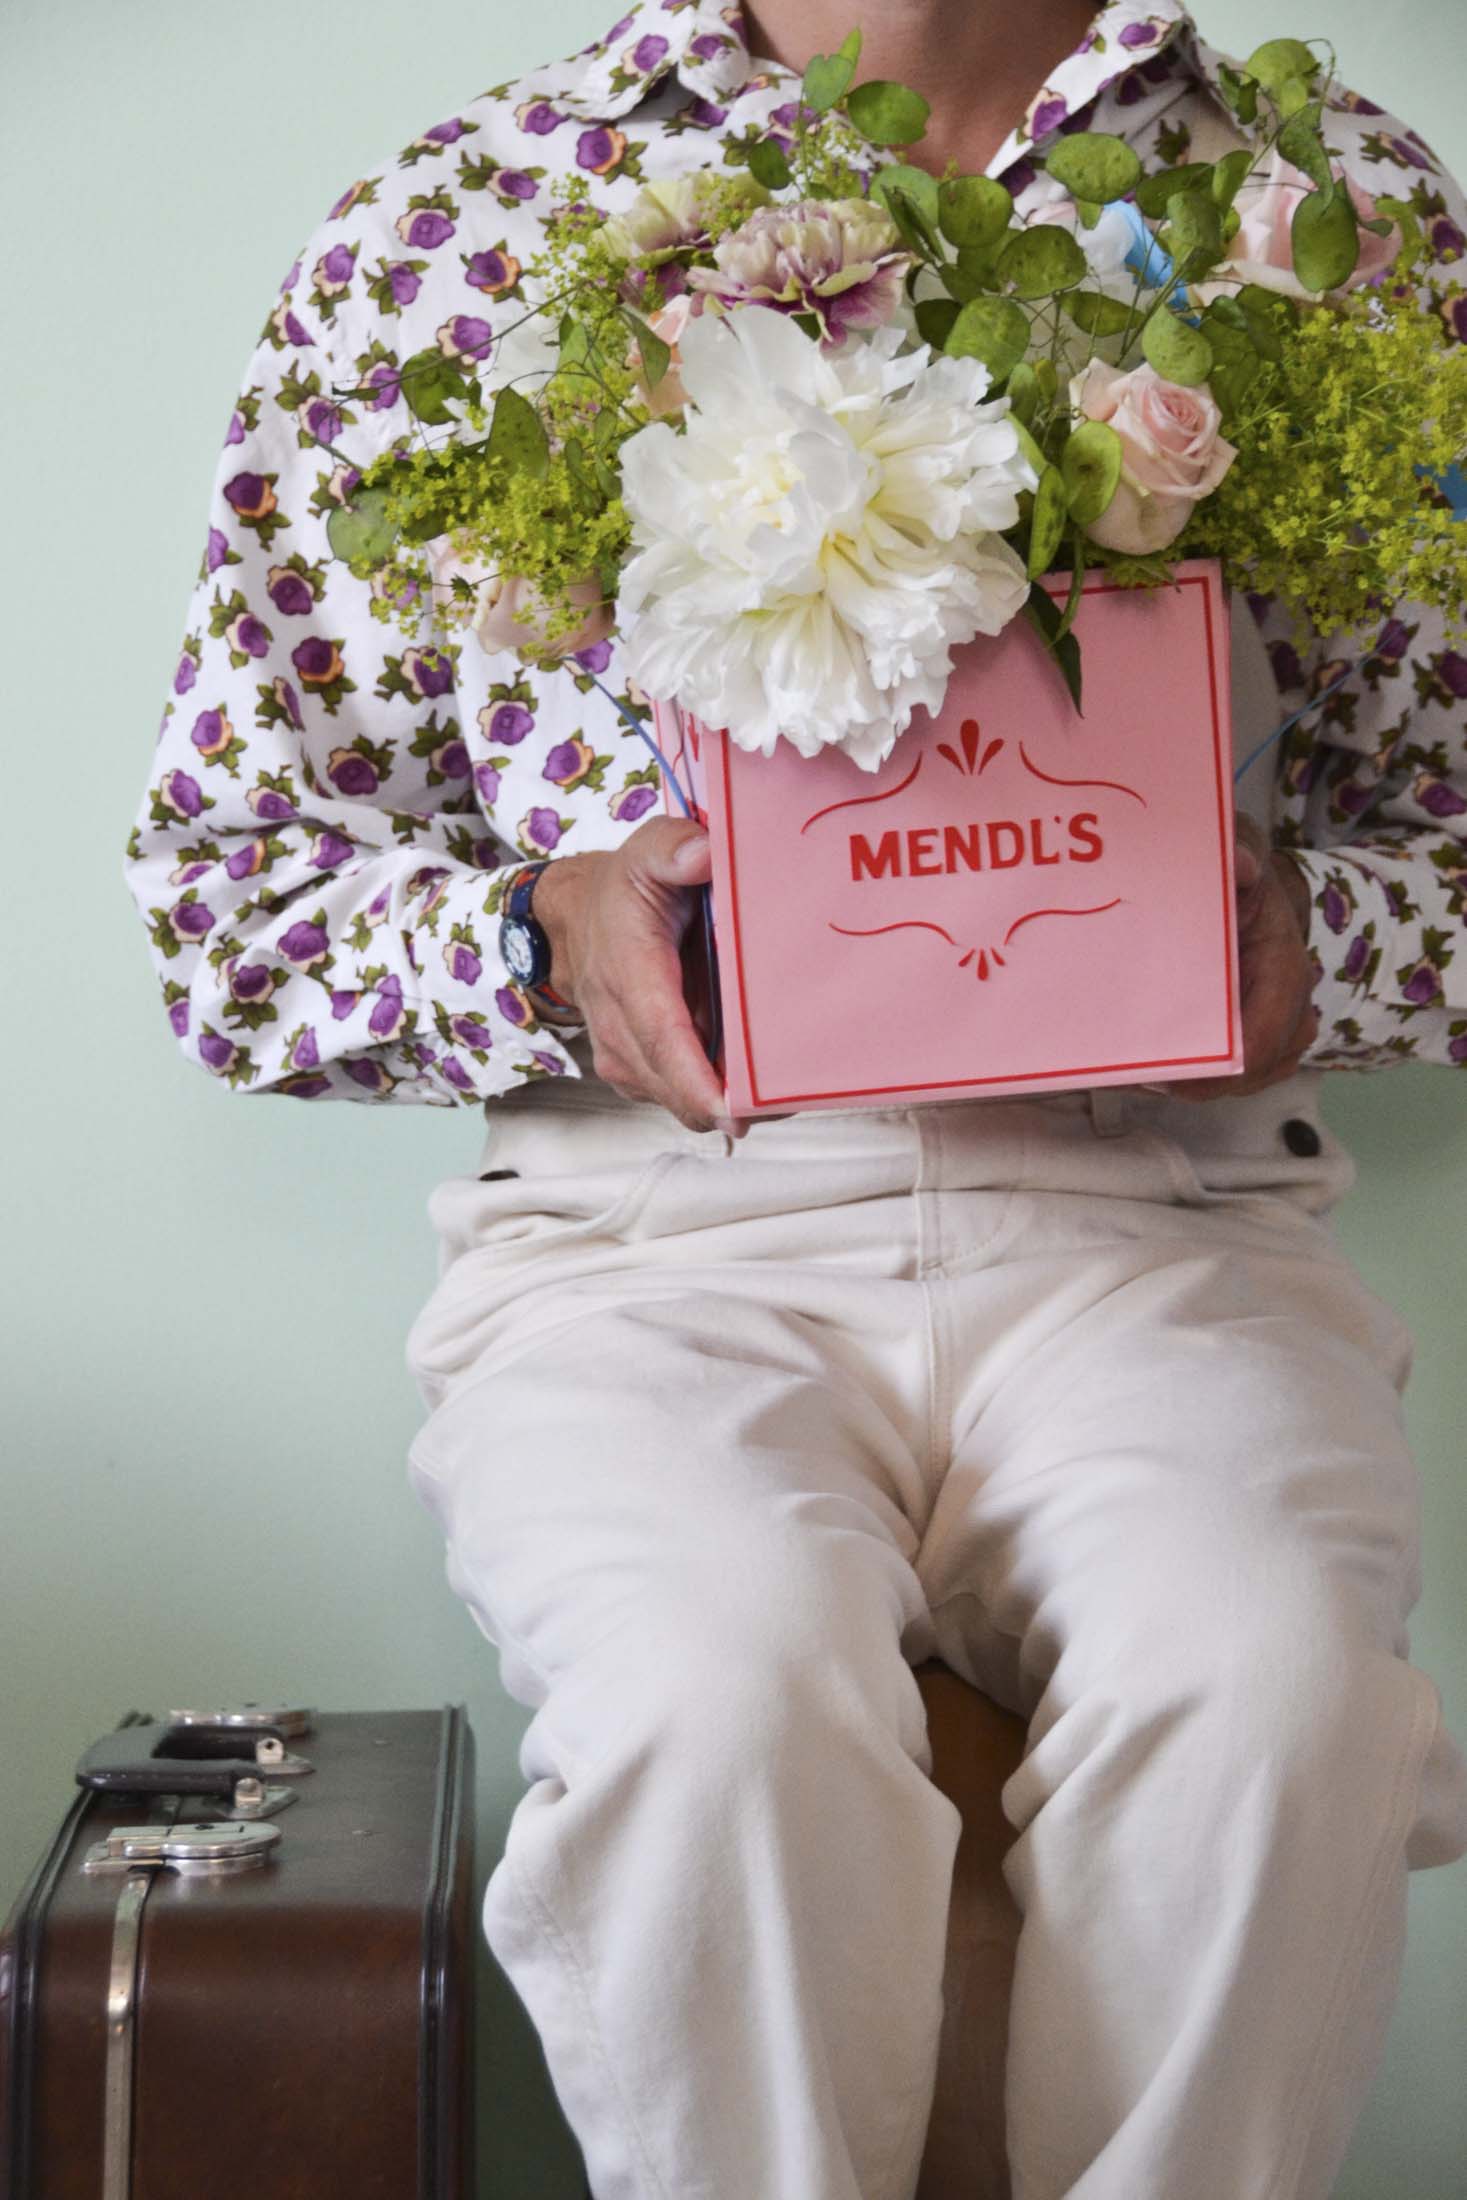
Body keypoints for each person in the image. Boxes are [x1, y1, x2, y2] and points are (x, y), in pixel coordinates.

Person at [121, 2, 1467, 2193]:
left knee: (1272, 1693)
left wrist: (1322, 932)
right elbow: (221, 898)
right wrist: (535, 937)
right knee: (708, 1708)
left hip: (1165, 1226)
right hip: (649, 1250)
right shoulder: (466, 223)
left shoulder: (1337, 211)